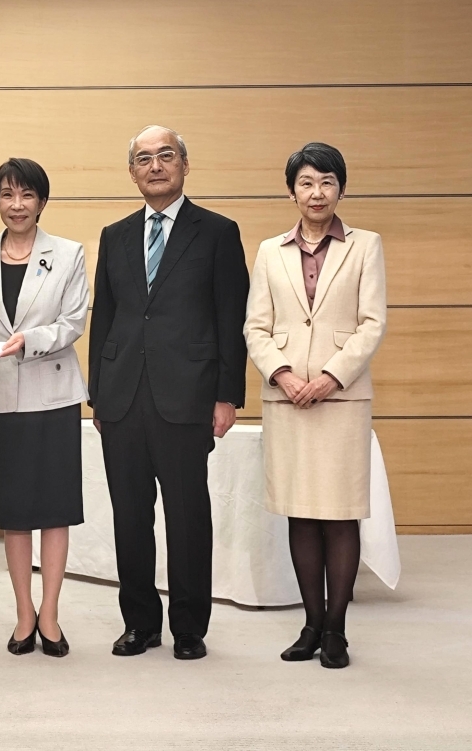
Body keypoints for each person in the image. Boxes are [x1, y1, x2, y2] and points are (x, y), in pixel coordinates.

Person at [89, 125, 250, 660]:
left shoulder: (218, 232)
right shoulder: (114, 234)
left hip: (188, 396)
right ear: (131, 171)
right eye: (143, 159)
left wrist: (227, 395)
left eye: (165, 156)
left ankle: (188, 627)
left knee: (187, 517)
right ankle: (140, 623)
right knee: (129, 516)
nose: (155, 166)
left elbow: (231, 317)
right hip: (123, 398)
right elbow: (106, 319)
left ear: (184, 164)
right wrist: (98, 397)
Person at [244, 142, 386, 669]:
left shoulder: (366, 245)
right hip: (287, 398)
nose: (317, 192)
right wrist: (283, 373)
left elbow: (372, 323)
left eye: (327, 181)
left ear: (341, 188)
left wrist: (329, 377)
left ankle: (337, 630)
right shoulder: (268, 251)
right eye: (306, 182)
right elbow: (255, 327)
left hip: (342, 398)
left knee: (340, 514)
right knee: (301, 514)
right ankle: (309, 624)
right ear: (292, 191)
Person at [0, 158, 88, 657]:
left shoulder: (69, 253)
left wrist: (26, 340)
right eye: (8, 195)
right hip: (2, 396)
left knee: (55, 511)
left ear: (41, 201)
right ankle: (23, 613)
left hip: (52, 396)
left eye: (27, 195)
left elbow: (73, 321)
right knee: (14, 513)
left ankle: (51, 614)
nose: (17, 205)